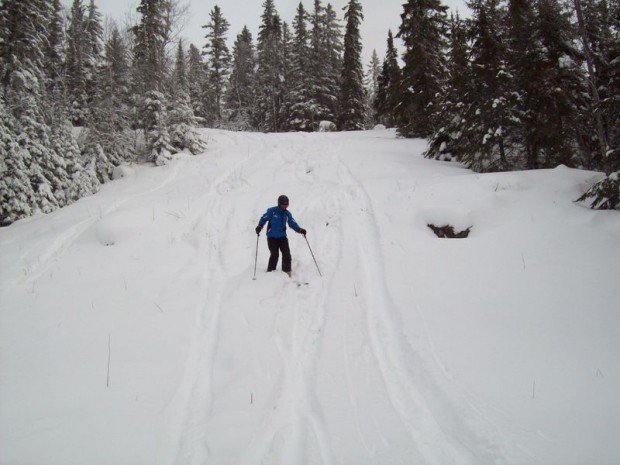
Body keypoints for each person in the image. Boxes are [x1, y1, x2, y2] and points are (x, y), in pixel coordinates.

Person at [255, 195, 306, 276]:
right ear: (279, 203)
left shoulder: (287, 213)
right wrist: (259, 226)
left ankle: (286, 272)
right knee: (274, 254)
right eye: (283, 204)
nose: (285, 206)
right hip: (272, 237)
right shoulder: (272, 211)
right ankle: (270, 273)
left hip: (282, 237)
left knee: (287, 254)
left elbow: (292, 223)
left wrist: (299, 230)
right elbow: (264, 218)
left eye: (286, 204)